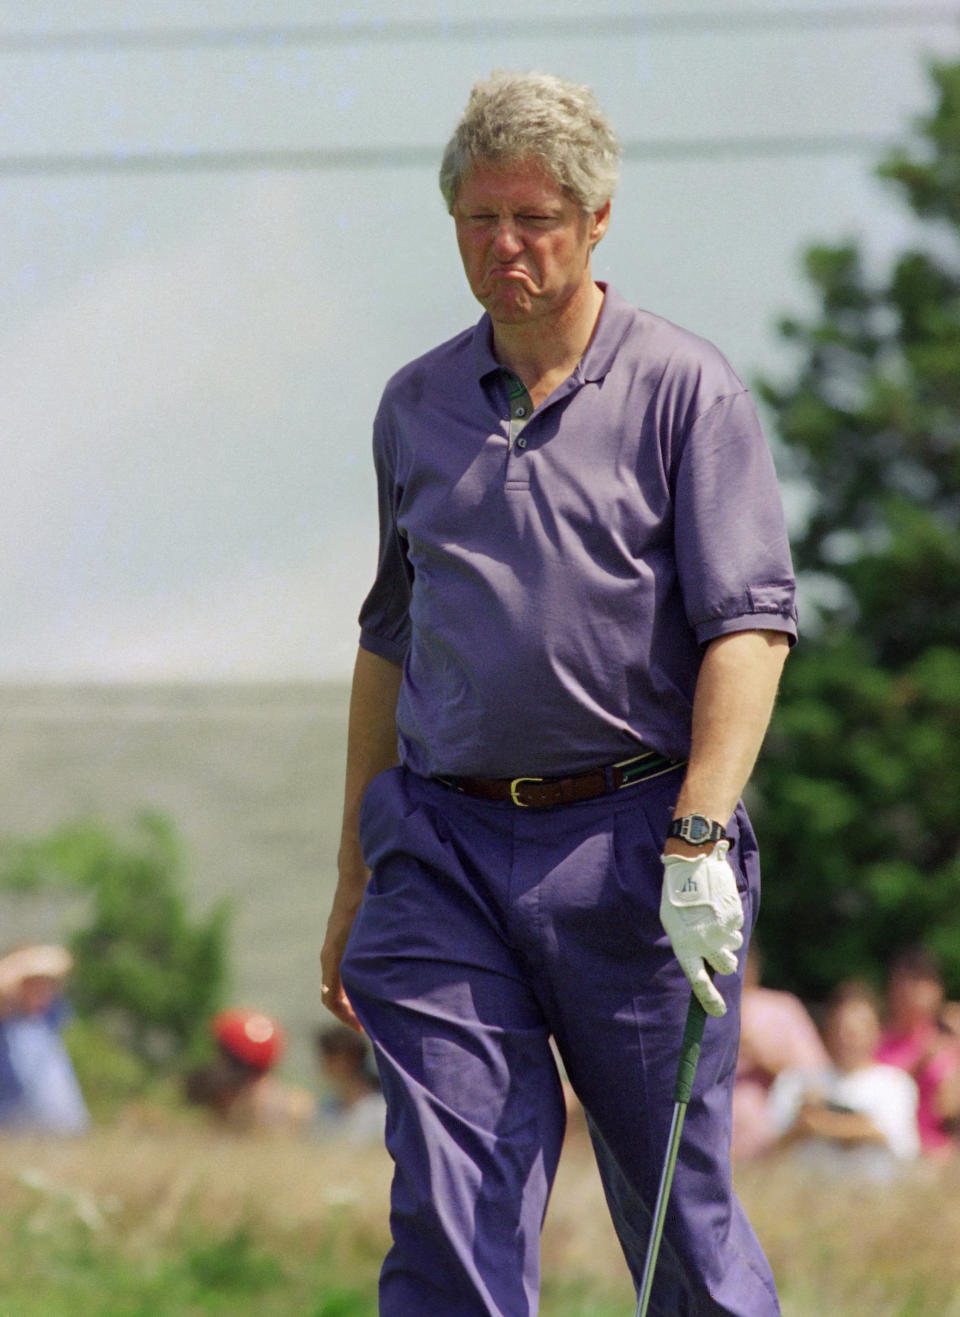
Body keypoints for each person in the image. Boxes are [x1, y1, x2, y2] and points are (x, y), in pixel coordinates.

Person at [321, 70, 796, 1316]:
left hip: (637, 847)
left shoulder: (688, 391)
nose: (506, 246)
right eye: (481, 220)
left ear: (595, 223)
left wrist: (699, 835)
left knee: (675, 1219)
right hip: (445, 843)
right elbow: (389, 638)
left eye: (534, 219)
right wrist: (354, 871)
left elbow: (750, 630)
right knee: (451, 1192)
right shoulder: (412, 408)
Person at [767, 980, 919, 1181]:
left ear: (876, 1031)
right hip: (808, 1199)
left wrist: (821, 1122)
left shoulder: (895, 1084)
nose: (847, 1039)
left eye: (857, 1031)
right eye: (841, 1029)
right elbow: (773, 1146)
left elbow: (896, 1141)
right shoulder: (795, 1081)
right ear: (827, 1030)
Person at [733, 943, 829, 1161]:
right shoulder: (695, 1011)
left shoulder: (782, 1009)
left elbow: (816, 1080)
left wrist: (764, 1060)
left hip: (771, 1150)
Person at [874, 945, 960, 1156]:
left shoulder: (951, 1037)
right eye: (902, 982)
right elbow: (875, 1095)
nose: (909, 992)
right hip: (896, 1151)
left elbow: (948, 1106)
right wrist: (921, 1062)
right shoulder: (876, 1042)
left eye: (919, 983)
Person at [0, 944, 90, 1135]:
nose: (43, 992)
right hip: (21, 1128)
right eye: (34, 985)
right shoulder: (8, 1032)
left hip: (62, 1128)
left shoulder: (48, 1023)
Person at [184, 1008, 313, 1135]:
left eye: (220, 1054)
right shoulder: (296, 1104)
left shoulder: (289, 1109)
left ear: (234, 1063)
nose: (213, 1063)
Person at [313, 1022, 386, 1144]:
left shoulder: (380, 1112)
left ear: (350, 1059)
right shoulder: (326, 1109)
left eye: (330, 1056)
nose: (323, 1063)